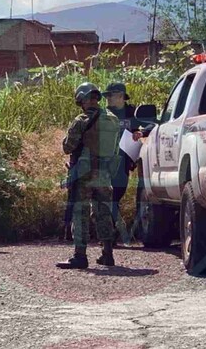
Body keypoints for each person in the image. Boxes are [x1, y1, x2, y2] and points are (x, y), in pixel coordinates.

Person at [56, 83, 121, 269]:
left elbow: (68, 147)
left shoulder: (81, 120)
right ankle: (107, 253)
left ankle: (80, 256)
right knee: (103, 213)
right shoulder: (113, 119)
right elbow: (116, 148)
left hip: (84, 174)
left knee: (80, 212)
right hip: (105, 173)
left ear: (81, 100)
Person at [102, 82, 154, 244]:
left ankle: (115, 233)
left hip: (123, 162)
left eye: (111, 95)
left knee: (116, 195)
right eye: (107, 96)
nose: (108, 99)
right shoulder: (103, 113)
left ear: (121, 96)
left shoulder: (132, 112)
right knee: (107, 198)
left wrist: (141, 132)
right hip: (105, 162)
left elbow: (153, 124)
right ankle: (110, 236)